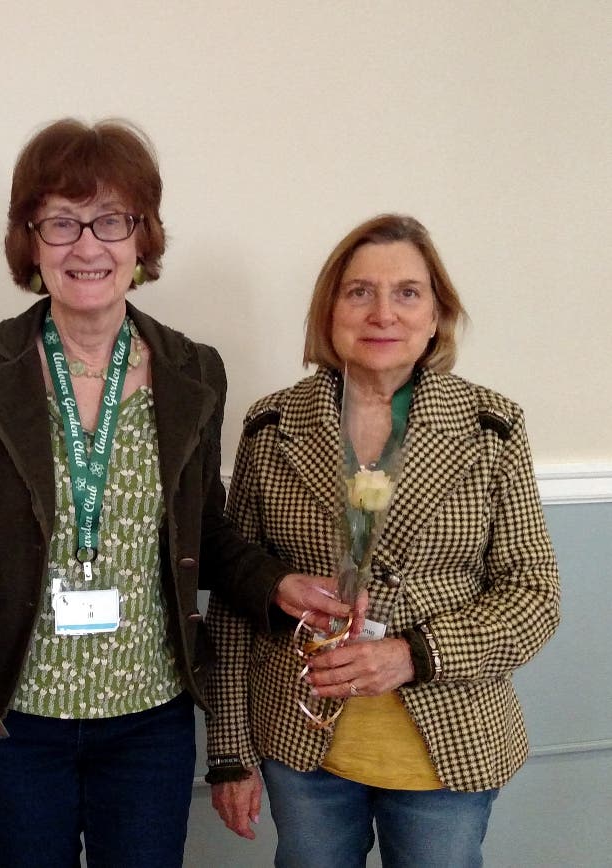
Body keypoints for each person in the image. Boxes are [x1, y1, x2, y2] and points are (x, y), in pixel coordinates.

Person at [0, 118, 353, 868]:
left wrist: (274, 584)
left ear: (142, 240)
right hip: (12, 712)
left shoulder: (192, 371)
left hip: (148, 717)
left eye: (111, 220)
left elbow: (203, 533)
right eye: (60, 222)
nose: (87, 245)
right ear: (29, 240)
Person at [205, 213, 561, 867]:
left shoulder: (491, 427)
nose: (382, 313)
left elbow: (534, 595)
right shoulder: (272, 424)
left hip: (446, 747)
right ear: (330, 310)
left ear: (435, 316)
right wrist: (228, 751)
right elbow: (235, 595)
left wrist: (411, 655)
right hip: (300, 745)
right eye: (358, 291)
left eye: (406, 293)